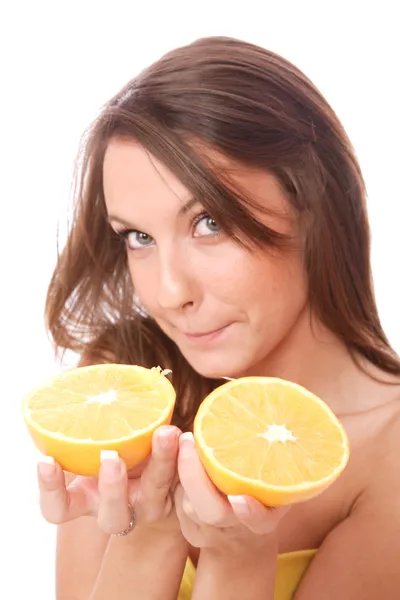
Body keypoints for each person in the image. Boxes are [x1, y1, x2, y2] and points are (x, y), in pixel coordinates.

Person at [37, 36, 400, 599]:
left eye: (209, 223)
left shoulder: (390, 453)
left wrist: (237, 556)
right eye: (138, 237)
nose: (169, 292)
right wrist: (150, 530)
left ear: (312, 204)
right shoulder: (127, 382)